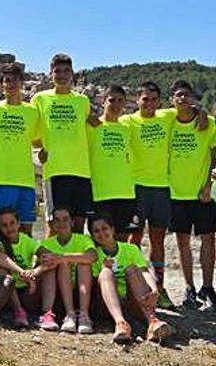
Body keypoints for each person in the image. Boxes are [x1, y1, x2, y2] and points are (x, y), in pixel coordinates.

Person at [121, 82, 184, 307]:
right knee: (134, 239)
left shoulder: (166, 117)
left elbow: (188, 108)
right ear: (137, 100)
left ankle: (160, 286)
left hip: (161, 189)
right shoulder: (127, 121)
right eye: (144, 99)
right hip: (136, 188)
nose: (149, 103)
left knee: (158, 240)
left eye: (153, 99)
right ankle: (135, 284)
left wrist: (201, 112)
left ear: (160, 101)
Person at [32, 53, 96, 233]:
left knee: (78, 225)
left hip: (81, 170)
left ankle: (75, 261)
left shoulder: (82, 101)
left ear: (72, 73)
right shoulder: (40, 99)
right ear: (50, 74)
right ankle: (50, 261)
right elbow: (32, 130)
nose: (62, 75)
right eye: (57, 71)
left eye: (66, 70)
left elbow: (94, 126)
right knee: (54, 224)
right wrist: (41, 148)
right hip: (55, 170)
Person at [166, 80, 216, 308]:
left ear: (193, 98)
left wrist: (208, 185)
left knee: (208, 239)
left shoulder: (209, 123)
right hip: (176, 194)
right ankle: (189, 287)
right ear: (171, 100)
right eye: (178, 95)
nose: (183, 99)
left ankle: (208, 287)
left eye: (186, 95)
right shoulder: (167, 122)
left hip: (201, 194)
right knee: (182, 242)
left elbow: (214, 155)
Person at [89, 214, 173, 343]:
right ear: (92, 235)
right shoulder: (94, 254)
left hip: (132, 301)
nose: (101, 233)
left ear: (113, 229)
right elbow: (94, 285)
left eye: (104, 228)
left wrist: (154, 290)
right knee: (105, 273)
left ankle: (152, 321)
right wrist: (103, 268)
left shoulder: (131, 249)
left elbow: (144, 271)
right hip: (106, 305)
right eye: (96, 231)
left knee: (132, 269)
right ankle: (120, 324)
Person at [0, 63, 40, 235]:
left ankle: (23, 263)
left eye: (15, 80)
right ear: (1, 84)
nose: (11, 84)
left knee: (26, 229)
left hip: (26, 180)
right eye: (7, 80)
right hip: (1, 178)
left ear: (22, 82)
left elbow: (39, 140)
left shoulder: (33, 111)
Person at [87, 85, 137, 241]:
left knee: (122, 238)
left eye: (120, 101)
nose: (115, 105)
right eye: (112, 100)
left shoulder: (128, 128)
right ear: (103, 101)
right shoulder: (92, 126)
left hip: (126, 193)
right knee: (101, 239)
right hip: (100, 193)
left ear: (125, 104)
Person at [0, 208, 41, 328]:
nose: (9, 228)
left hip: (26, 290)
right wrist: (22, 272)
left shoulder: (27, 240)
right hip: (6, 293)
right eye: (4, 225)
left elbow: (47, 256)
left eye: (12, 223)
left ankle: (48, 313)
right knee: (2, 270)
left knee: (47, 267)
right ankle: (18, 311)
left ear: (19, 223)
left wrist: (33, 272)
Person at [36, 207, 97, 333]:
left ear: (72, 222)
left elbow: (92, 256)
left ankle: (84, 315)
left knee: (82, 264)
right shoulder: (47, 243)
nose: (61, 223)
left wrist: (61, 257)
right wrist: (59, 260)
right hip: (57, 292)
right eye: (57, 220)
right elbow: (42, 261)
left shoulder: (83, 239)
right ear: (52, 224)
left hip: (82, 290)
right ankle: (67, 314)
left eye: (65, 219)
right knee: (58, 265)